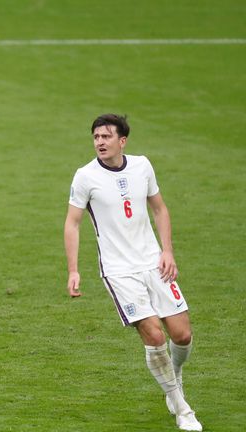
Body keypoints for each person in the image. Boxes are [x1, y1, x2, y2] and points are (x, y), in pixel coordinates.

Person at [64, 114, 202, 431]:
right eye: (96, 136)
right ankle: (182, 408)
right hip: (118, 270)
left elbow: (159, 208)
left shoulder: (142, 166)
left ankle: (174, 377)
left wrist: (167, 251)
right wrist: (73, 270)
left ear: (122, 141)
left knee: (182, 335)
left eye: (106, 136)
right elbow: (72, 223)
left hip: (153, 262)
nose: (99, 142)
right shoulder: (85, 176)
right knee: (154, 335)